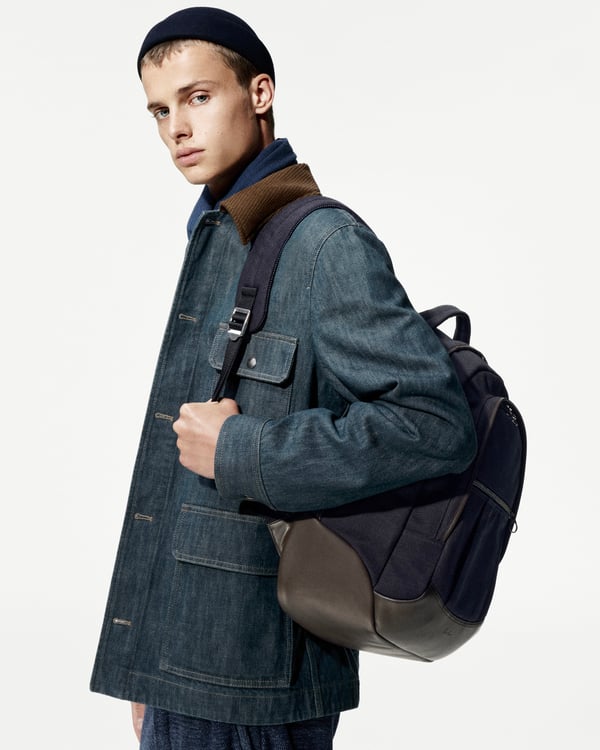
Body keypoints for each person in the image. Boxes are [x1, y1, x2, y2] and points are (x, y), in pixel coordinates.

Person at [90, 7, 477, 749]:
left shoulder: (325, 243)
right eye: (160, 110)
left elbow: (434, 424)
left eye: (198, 97)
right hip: (187, 662)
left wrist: (244, 450)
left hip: (254, 679)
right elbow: (178, 483)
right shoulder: (223, 234)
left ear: (260, 93)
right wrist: (146, 664)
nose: (177, 129)